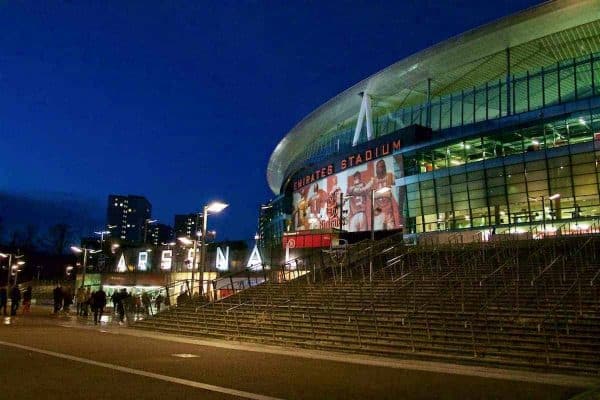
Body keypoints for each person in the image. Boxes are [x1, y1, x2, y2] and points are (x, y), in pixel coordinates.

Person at [372, 159, 399, 230]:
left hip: (388, 210)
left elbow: (399, 181)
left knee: (391, 230)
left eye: (380, 167)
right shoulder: (373, 180)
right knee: (379, 232)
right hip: (379, 210)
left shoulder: (389, 176)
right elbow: (370, 194)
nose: (378, 169)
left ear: (384, 167)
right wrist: (383, 194)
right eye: (377, 167)